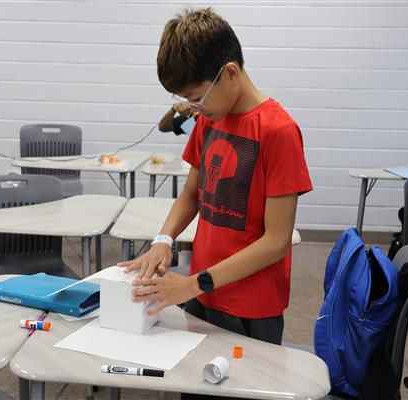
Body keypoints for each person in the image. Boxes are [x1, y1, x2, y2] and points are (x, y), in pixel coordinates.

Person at [119, 8, 313, 398]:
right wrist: (163, 240)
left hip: (249, 306)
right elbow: (192, 194)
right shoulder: (211, 118)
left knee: (244, 388)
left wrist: (193, 283)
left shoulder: (278, 131)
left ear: (230, 73)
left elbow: (276, 242)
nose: (194, 109)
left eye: (196, 97)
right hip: (201, 292)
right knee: (195, 385)